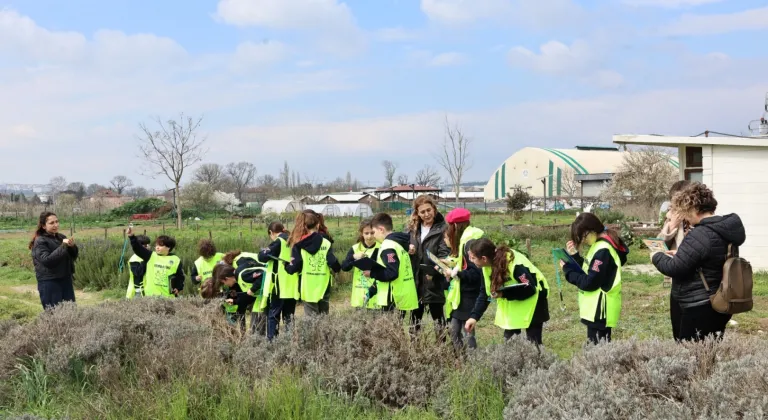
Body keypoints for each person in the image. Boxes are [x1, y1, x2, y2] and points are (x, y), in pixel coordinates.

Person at [652, 182, 745, 342]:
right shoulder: (723, 228)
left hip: (699, 303)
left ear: (694, 209)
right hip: (719, 297)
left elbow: (674, 268)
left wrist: (656, 255)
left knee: (690, 351)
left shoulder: (701, 234)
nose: (685, 216)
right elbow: (708, 257)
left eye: (685, 211)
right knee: (709, 348)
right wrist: (682, 253)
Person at [464, 238, 550, 345]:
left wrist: (503, 294)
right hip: (515, 303)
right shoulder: (485, 267)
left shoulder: (514, 264)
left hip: (535, 301)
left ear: (484, 258)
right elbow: (485, 293)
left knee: (534, 343)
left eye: (473, 258)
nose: (471, 261)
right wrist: (474, 317)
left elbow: (530, 288)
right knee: (510, 343)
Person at [561, 213, 628, 344]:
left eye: (583, 236)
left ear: (592, 230)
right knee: (597, 348)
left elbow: (590, 282)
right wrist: (575, 257)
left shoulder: (603, 250)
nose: (583, 240)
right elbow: (590, 270)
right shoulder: (599, 245)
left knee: (597, 350)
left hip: (600, 310)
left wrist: (568, 271)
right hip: (596, 309)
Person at [440, 208, 484, 350]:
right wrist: (452, 265)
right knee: (454, 330)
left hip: (469, 295)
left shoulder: (469, 244)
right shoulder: (466, 240)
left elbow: (476, 274)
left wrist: (455, 273)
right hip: (462, 294)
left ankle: (471, 359)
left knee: (467, 333)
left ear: (455, 226)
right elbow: (464, 265)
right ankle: (460, 358)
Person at [405, 196, 450, 334]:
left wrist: (436, 268)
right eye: (422, 212)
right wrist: (408, 248)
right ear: (417, 213)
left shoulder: (443, 228)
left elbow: (444, 253)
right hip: (415, 280)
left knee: (438, 320)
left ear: (434, 209)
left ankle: (440, 346)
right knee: (414, 320)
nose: (426, 214)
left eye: (428, 210)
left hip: (434, 280)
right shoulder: (412, 229)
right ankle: (415, 346)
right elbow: (403, 245)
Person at [284, 211, 341, 316]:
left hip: (307, 286)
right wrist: (337, 268)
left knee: (311, 320)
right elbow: (333, 262)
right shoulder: (326, 242)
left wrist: (286, 265)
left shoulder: (299, 244)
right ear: (318, 225)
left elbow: (293, 267)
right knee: (324, 317)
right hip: (324, 285)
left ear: (304, 226)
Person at [360, 213, 419, 314]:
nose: (373, 236)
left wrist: (372, 273)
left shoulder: (388, 246)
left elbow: (392, 273)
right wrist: (370, 293)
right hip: (401, 295)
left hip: (392, 298)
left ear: (381, 229)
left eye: (374, 232)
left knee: (391, 324)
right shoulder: (399, 243)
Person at [257, 222, 299, 340]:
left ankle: (272, 342)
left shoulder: (279, 241)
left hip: (279, 285)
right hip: (292, 285)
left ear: (271, 232)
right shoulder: (293, 240)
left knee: (274, 316)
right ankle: (289, 341)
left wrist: (263, 250)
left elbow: (262, 257)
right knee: (289, 317)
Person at [30, 212, 78, 309]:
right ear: (43, 226)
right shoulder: (40, 241)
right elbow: (47, 261)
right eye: (51, 223)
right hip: (50, 282)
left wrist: (72, 247)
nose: (56, 225)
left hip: (65, 280)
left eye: (57, 222)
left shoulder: (61, 237)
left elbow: (73, 256)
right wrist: (63, 246)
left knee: (70, 311)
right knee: (54, 313)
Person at [126, 226, 184, 298]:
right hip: (151, 297)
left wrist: (178, 287)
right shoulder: (150, 256)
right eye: (156, 245)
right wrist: (132, 236)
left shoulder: (176, 260)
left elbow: (180, 276)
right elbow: (138, 248)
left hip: (168, 297)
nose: (157, 247)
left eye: (161, 245)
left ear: (168, 247)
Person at [659, 180, 692, 288]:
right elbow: (661, 245)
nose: (677, 207)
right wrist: (672, 226)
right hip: (678, 274)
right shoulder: (672, 218)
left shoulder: (696, 218)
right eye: (674, 203)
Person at [341, 218, 380, 309]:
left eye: (372, 233)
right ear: (361, 233)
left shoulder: (381, 247)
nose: (369, 236)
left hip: (377, 295)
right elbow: (344, 267)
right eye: (366, 233)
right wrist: (353, 257)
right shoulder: (355, 248)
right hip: (359, 294)